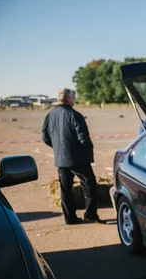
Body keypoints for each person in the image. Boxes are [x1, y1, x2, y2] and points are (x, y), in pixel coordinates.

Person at [42, 88, 102, 224]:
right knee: (90, 185)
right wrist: (86, 153)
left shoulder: (49, 115)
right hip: (78, 159)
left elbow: (45, 137)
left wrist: (58, 148)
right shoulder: (74, 115)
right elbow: (84, 139)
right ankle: (90, 214)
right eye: (73, 97)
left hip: (61, 159)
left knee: (65, 189)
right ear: (68, 99)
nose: (74, 99)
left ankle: (69, 218)